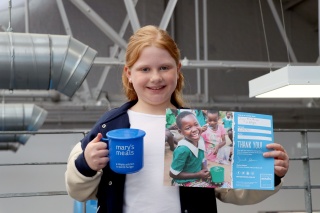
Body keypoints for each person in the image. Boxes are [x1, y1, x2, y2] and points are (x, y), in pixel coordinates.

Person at [65, 25, 289, 213]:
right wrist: (87, 164)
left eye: (164, 67)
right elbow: (77, 190)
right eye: (144, 69)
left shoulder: (200, 126)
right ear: (129, 74)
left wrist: (270, 174)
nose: (156, 77)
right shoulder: (109, 126)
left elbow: (232, 191)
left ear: (178, 70)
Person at [169, 110, 210, 186]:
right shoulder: (182, 150)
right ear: (180, 132)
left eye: (196, 124)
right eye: (188, 128)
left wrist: (204, 168)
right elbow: (172, 174)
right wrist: (198, 175)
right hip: (183, 182)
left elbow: (202, 158)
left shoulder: (200, 139)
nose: (194, 129)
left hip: (197, 175)